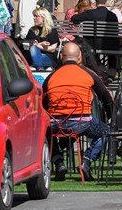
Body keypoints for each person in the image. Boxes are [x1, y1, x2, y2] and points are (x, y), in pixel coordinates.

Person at [42, 42, 112, 181]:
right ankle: (87, 161)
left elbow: (43, 102)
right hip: (82, 123)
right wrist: (109, 116)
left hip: (56, 123)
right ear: (80, 57)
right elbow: (105, 96)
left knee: (46, 133)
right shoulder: (88, 73)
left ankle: (58, 161)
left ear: (61, 57)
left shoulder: (51, 76)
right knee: (106, 131)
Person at [71, 0, 119, 68]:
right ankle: (111, 72)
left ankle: (97, 68)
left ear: (96, 3)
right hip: (109, 45)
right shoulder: (112, 16)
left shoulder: (91, 13)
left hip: (92, 44)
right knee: (112, 51)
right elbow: (116, 31)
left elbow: (74, 18)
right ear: (106, 2)